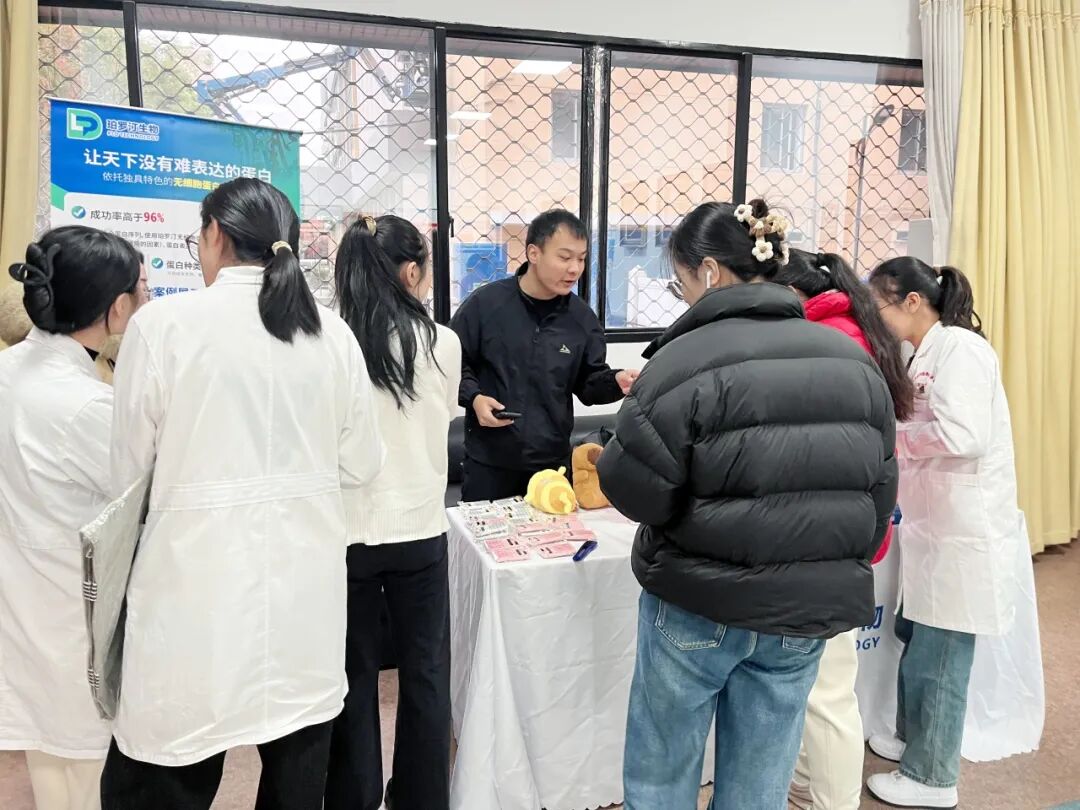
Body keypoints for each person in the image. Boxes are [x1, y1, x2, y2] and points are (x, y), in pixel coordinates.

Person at [596, 200, 898, 810]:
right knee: (760, 787)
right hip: (799, 616)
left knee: (662, 776)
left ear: (709, 272)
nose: (682, 298)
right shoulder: (854, 362)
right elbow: (876, 502)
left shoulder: (680, 361)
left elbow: (631, 489)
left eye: (680, 282)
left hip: (696, 605)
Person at [104, 178, 383, 810]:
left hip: (190, 598)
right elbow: (364, 463)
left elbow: (125, 479)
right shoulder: (331, 336)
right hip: (303, 603)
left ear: (215, 235)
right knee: (294, 777)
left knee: (166, 773)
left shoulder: (163, 326)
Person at [864, 257, 1025, 809]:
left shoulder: (963, 351)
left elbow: (964, 436)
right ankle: (911, 738)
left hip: (964, 529)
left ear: (912, 301)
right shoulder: (922, 353)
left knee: (941, 652)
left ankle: (933, 777)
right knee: (918, 636)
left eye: (879, 304)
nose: (876, 316)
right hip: (933, 525)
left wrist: (893, 437)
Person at [0, 226, 147, 810]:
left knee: (50, 765)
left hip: (24, 601)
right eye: (142, 290)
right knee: (84, 772)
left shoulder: (11, 371)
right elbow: (141, 494)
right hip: (70, 609)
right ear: (116, 309)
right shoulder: (87, 406)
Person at [324, 214, 460, 810]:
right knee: (426, 675)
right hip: (420, 533)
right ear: (412, 271)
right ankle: (421, 799)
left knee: (351, 680)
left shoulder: (328, 343)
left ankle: (353, 799)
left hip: (345, 537)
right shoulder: (441, 343)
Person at [774, 249, 914, 810]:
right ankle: (806, 785)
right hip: (843, 532)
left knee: (828, 691)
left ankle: (828, 799)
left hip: (826, 538)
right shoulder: (851, 334)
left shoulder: (827, 344)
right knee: (817, 685)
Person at [449, 209, 638, 501]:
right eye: (564, 257)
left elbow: (588, 383)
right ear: (533, 253)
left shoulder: (581, 319)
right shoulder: (485, 306)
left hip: (552, 468)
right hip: (489, 465)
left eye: (582, 258)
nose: (575, 268)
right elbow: (452, 364)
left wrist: (616, 381)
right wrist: (474, 398)